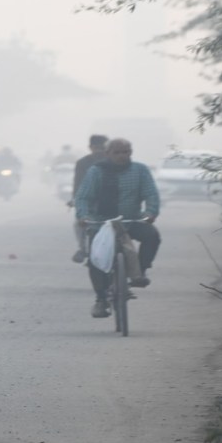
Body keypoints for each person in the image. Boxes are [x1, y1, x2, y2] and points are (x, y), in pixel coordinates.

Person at [75, 138, 161, 318]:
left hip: (131, 220)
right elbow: (83, 197)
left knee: (152, 236)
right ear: (108, 154)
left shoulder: (140, 170)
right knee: (95, 259)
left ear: (131, 153)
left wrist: (150, 213)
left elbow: (151, 194)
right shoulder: (96, 171)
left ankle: (139, 272)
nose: (122, 156)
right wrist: (83, 216)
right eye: (117, 152)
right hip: (102, 223)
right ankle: (101, 299)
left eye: (126, 152)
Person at [70, 134, 109, 263]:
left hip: (111, 201)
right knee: (79, 223)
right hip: (89, 201)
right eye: (96, 147)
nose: (99, 151)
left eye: (102, 148)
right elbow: (78, 183)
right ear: (90, 148)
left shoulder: (114, 161)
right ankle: (83, 249)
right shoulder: (82, 163)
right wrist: (75, 199)